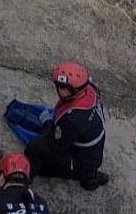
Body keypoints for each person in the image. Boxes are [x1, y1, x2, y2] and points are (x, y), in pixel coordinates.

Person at [24, 62, 108, 191]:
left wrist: (47, 122)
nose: (58, 89)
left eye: (61, 87)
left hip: (80, 162)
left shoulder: (72, 121)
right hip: (91, 154)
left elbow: (55, 144)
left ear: (70, 91)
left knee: (36, 147)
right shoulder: (90, 91)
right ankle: (90, 175)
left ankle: (24, 182)